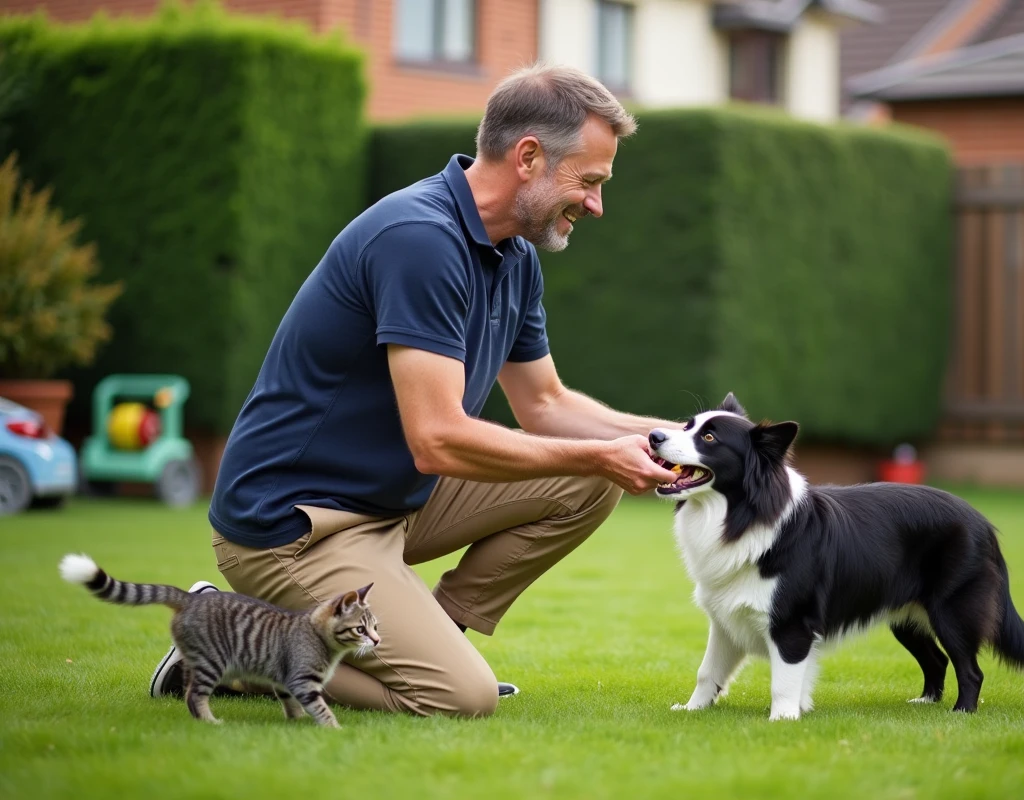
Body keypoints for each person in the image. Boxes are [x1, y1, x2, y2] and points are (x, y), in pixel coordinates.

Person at [148, 62, 684, 718]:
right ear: (528, 156)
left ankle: (431, 639)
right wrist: (599, 453)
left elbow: (546, 405)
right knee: (460, 698)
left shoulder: (515, 257)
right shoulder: (419, 240)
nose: (596, 204)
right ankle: (225, 642)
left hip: (394, 503)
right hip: (297, 525)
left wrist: (683, 442)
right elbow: (435, 440)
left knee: (587, 482)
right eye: (590, 181)